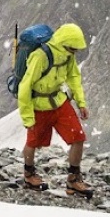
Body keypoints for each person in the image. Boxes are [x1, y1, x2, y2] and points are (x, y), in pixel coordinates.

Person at [17, 22, 92, 198]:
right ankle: (29, 175)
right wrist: (28, 117)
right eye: (72, 49)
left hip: (59, 101)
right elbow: (25, 86)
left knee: (78, 137)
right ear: (64, 43)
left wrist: (81, 103)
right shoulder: (40, 56)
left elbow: (73, 77)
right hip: (39, 105)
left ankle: (73, 180)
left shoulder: (67, 55)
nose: (74, 53)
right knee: (33, 142)